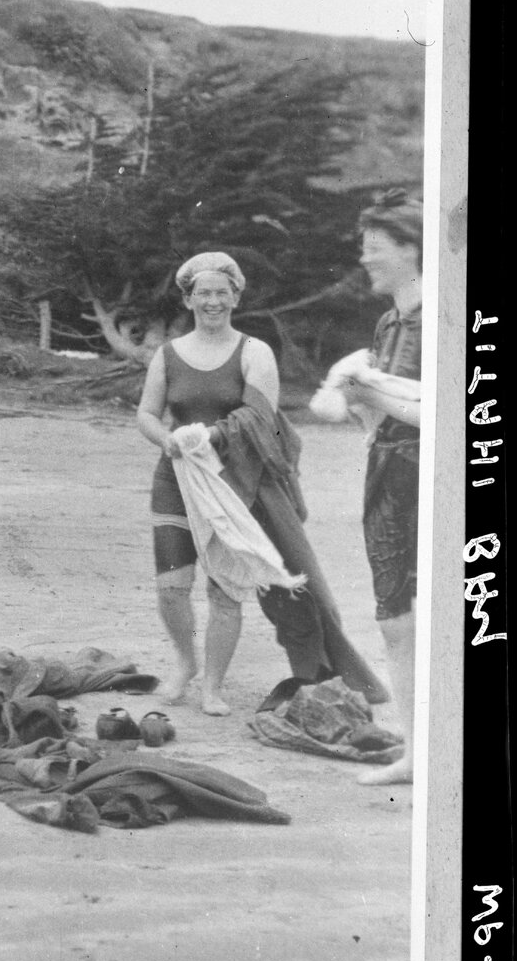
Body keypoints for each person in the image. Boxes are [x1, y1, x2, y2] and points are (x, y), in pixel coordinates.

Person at [137, 251, 387, 716]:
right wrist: (167, 439)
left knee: (225, 589)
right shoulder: (168, 355)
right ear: (188, 299)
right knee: (171, 586)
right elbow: (147, 414)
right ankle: (185, 664)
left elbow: (258, 417)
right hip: (177, 477)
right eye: (203, 293)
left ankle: (213, 687)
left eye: (222, 292)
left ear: (236, 297)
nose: (213, 301)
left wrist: (210, 436)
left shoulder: (254, 352)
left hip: (236, 480)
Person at [342, 191, 423, 785]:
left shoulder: (443, 316)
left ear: (411, 248)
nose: (365, 258)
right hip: (386, 474)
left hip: (432, 475)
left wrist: (365, 388)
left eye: (375, 248)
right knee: (395, 622)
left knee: (445, 616)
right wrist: (360, 399)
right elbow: (379, 418)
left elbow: (448, 412)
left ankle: (440, 753)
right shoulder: (388, 322)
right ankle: (416, 754)